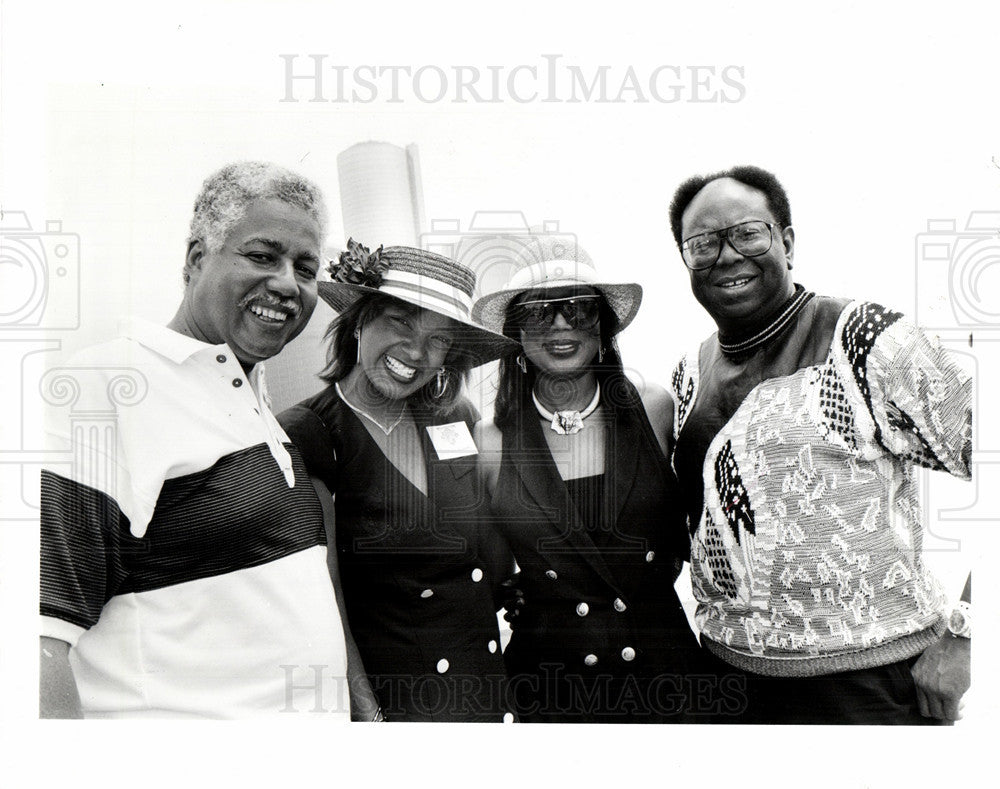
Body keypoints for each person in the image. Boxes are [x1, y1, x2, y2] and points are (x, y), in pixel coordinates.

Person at [39, 161, 371, 719]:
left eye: (305, 268)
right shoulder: (104, 388)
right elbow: (37, 642)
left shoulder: (255, 398)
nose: (288, 283)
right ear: (196, 258)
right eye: (263, 256)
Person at [667, 164, 972, 724]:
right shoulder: (689, 371)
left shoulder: (866, 338)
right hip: (727, 682)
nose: (727, 255)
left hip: (867, 684)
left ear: (786, 241)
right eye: (703, 243)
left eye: (748, 233)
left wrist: (967, 638)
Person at [277, 241, 520, 722]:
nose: (416, 351)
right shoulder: (310, 431)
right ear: (360, 319)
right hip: (400, 702)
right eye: (400, 321)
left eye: (439, 339)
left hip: (486, 684)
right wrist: (367, 711)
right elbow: (325, 597)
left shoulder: (456, 416)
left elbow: (491, 545)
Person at [471, 238, 710, 723]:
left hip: (665, 678)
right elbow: (496, 570)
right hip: (557, 687)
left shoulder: (654, 408)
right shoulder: (492, 439)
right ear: (517, 333)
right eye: (539, 312)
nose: (560, 325)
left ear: (604, 328)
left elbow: (693, 533)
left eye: (578, 310)